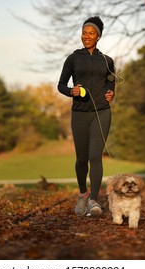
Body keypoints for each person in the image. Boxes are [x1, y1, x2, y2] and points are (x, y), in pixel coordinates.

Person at [57, 16, 115, 216]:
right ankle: (83, 194)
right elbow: (61, 85)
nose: (86, 36)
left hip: (102, 112)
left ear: (98, 36)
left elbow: (111, 83)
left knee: (94, 156)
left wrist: (111, 93)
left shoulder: (107, 61)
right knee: (81, 159)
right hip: (80, 113)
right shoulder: (73, 58)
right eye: (84, 33)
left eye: (91, 33)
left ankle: (93, 201)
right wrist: (70, 91)